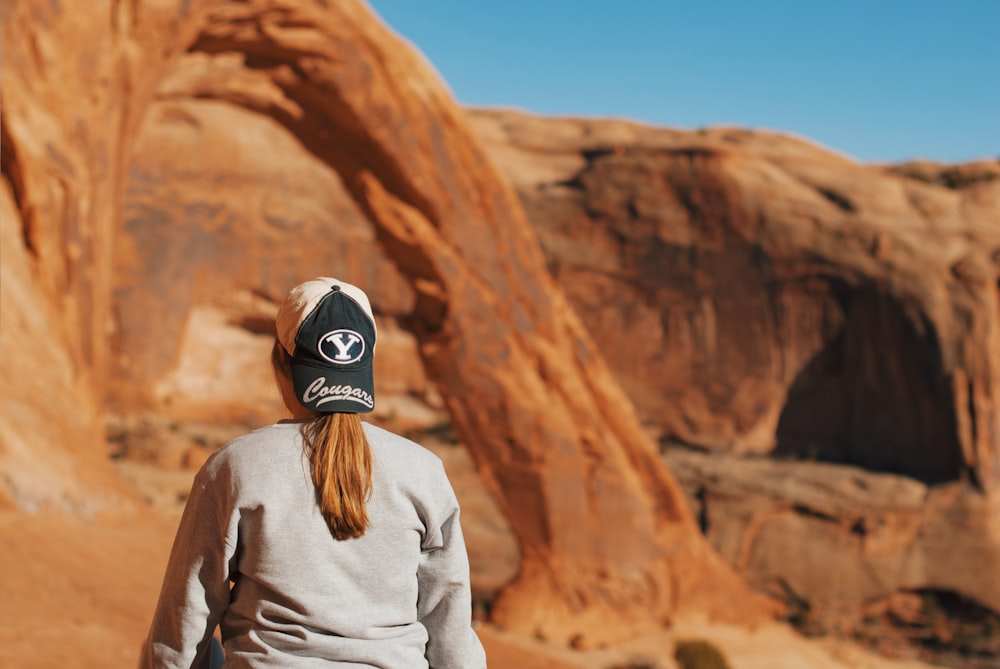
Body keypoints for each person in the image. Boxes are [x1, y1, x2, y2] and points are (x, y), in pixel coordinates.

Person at [140, 277, 487, 668]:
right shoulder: (423, 472)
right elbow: (450, 630)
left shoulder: (236, 467)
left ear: (280, 363)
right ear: (365, 369)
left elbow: (184, 623)